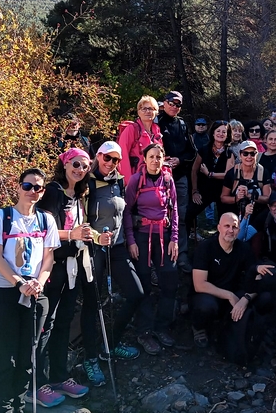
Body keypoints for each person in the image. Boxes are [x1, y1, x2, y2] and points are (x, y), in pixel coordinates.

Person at [0, 168, 60, 411]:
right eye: (28, 186)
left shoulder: (46, 219)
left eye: (38, 187)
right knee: (6, 358)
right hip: (5, 293)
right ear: (18, 187)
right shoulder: (1, 216)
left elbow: (49, 258)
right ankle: (3, 408)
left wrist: (38, 281)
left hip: (36, 295)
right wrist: (19, 283)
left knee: (28, 359)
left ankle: (19, 406)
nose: (32, 191)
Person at [80, 141, 143, 387]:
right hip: (92, 249)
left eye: (116, 160)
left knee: (136, 293)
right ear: (98, 156)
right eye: (107, 158)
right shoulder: (88, 183)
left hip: (116, 248)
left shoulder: (119, 181)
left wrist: (129, 241)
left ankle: (110, 345)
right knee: (91, 303)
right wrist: (96, 237)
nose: (111, 164)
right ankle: (90, 358)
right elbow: (80, 219)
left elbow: (124, 213)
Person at [34, 150, 92, 404]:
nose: (79, 169)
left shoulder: (78, 194)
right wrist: (73, 235)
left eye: (85, 166)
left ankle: (58, 376)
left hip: (73, 266)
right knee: (44, 325)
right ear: (65, 164)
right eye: (75, 164)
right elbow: (41, 231)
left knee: (64, 322)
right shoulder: (53, 192)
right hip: (52, 267)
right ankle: (35, 384)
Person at [123, 143, 180, 354]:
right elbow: (127, 211)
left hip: (164, 237)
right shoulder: (136, 181)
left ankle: (163, 327)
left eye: (159, 157)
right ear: (144, 159)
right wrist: (130, 240)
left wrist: (174, 238)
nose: (155, 160)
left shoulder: (167, 179)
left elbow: (174, 211)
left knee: (170, 281)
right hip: (142, 236)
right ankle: (144, 332)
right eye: (152, 157)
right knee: (144, 284)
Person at [191, 213, 262, 365]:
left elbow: (257, 279)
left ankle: (231, 335)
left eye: (235, 227)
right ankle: (198, 327)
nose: (231, 230)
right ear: (218, 228)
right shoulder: (206, 247)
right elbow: (199, 284)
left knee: (261, 299)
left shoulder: (244, 249)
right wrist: (229, 295)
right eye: (227, 226)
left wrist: (245, 299)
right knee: (205, 307)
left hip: (235, 293)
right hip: (209, 293)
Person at [157, 91, 197, 272]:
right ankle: (161, 256)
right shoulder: (156, 122)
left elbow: (191, 151)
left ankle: (181, 255)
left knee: (180, 216)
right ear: (164, 103)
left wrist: (179, 160)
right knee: (160, 216)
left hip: (179, 176)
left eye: (178, 104)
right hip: (159, 177)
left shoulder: (181, 124)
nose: (174, 107)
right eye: (171, 103)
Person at [189, 121, 234, 234]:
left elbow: (227, 174)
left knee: (226, 219)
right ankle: (191, 236)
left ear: (227, 135)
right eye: (218, 131)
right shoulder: (204, 149)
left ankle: (221, 241)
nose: (221, 133)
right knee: (188, 213)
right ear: (213, 133)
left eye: (224, 131)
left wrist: (209, 174)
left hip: (223, 191)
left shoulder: (229, 152)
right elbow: (194, 170)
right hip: (205, 190)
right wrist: (195, 191)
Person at [220, 140, 273, 219]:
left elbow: (267, 198)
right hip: (235, 216)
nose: (249, 157)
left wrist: (249, 195)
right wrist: (236, 198)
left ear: (257, 155)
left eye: (252, 153)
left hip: (257, 216)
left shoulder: (263, 172)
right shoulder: (232, 173)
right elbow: (223, 198)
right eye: (245, 153)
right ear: (240, 155)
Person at [117, 95, 163, 178]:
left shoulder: (157, 131)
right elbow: (122, 156)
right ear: (138, 112)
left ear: (156, 112)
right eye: (144, 109)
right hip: (136, 179)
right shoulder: (131, 129)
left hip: (153, 180)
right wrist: (128, 181)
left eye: (151, 108)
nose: (147, 111)